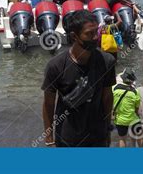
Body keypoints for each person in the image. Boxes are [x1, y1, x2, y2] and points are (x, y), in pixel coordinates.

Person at [41, 10, 116, 147]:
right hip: (67, 138)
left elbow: (107, 97)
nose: (95, 38)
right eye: (89, 34)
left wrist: (107, 130)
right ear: (74, 36)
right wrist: (49, 137)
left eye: (96, 32)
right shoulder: (56, 66)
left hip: (97, 136)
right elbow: (48, 105)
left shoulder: (107, 61)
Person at [112, 68, 141, 147]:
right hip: (133, 119)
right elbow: (136, 109)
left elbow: (111, 102)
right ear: (132, 80)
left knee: (122, 139)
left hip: (120, 120)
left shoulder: (114, 88)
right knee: (139, 136)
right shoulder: (135, 92)